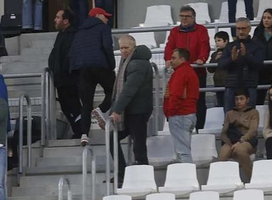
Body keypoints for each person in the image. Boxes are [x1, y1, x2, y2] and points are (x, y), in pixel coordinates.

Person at [68, 8, 117, 145]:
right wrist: (111, 65)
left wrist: (74, 70)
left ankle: (84, 135)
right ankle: (101, 109)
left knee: (86, 104)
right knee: (114, 90)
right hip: (100, 65)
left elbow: (72, 52)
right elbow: (107, 46)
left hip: (82, 69)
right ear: (97, 16)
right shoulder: (103, 28)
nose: (107, 19)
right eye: (105, 16)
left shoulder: (80, 32)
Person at [110, 37, 154, 185]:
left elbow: (128, 90)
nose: (123, 51)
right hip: (132, 110)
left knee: (139, 145)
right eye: (121, 48)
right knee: (116, 139)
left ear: (133, 47)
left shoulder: (137, 64)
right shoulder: (128, 62)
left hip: (138, 110)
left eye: (126, 48)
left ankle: (140, 177)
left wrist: (116, 110)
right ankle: (124, 173)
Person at [49, 10, 83, 139]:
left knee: (73, 106)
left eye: (57, 17)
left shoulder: (73, 35)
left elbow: (69, 58)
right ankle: (78, 130)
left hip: (70, 80)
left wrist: (64, 72)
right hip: (61, 79)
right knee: (66, 107)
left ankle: (81, 131)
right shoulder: (61, 35)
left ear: (66, 21)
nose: (55, 20)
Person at [163, 49, 200, 164]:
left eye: (174, 58)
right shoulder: (188, 71)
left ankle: (188, 179)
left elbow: (176, 94)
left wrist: (170, 112)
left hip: (180, 115)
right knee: (184, 150)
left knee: (182, 152)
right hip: (188, 114)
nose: (171, 60)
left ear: (182, 59)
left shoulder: (181, 73)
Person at [219, 89, 260, 179]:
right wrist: (230, 144)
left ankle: (251, 178)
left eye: (241, 99)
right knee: (223, 153)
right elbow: (223, 133)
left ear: (247, 100)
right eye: (236, 99)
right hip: (231, 140)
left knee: (240, 149)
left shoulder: (253, 112)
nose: (239, 101)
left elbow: (252, 131)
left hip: (247, 140)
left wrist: (240, 141)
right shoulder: (230, 114)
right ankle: (224, 180)